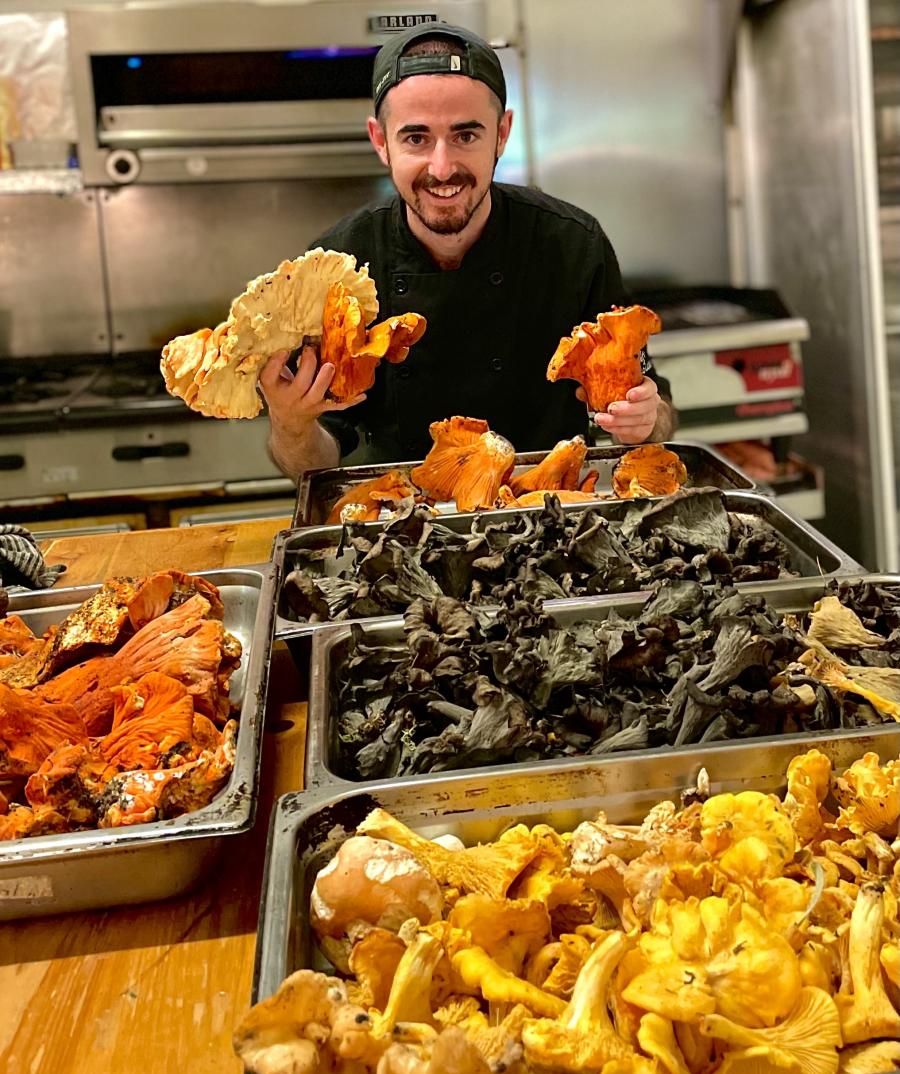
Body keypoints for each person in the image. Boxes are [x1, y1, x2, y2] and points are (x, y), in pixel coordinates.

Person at [261, 22, 676, 481]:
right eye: (416, 138)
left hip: (547, 514)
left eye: (466, 135)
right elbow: (314, 468)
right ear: (381, 141)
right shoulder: (336, 267)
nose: (442, 168)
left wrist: (644, 419)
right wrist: (292, 425)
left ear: (502, 134)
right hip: (396, 525)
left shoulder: (574, 245)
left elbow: (658, 417)